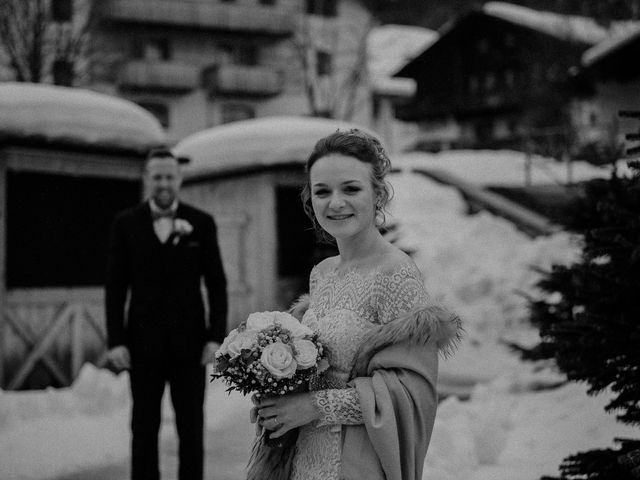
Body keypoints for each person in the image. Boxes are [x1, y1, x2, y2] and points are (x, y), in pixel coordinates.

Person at [250, 129, 462, 480]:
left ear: (377, 194)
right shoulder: (322, 273)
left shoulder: (395, 274)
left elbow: (408, 395)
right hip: (303, 459)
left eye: (350, 189)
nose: (335, 203)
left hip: (354, 463)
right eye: (322, 191)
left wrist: (312, 406)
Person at [105, 148, 228, 480]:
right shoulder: (125, 223)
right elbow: (116, 287)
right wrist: (116, 340)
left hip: (190, 344)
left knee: (191, 428)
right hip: (141, 344)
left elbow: (216, 283)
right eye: (156, 176)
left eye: (169, 176)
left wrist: (215, 337)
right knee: (143, 427)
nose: (163, 183)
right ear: (147, 178)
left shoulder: (201, 223)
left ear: (179, 179)